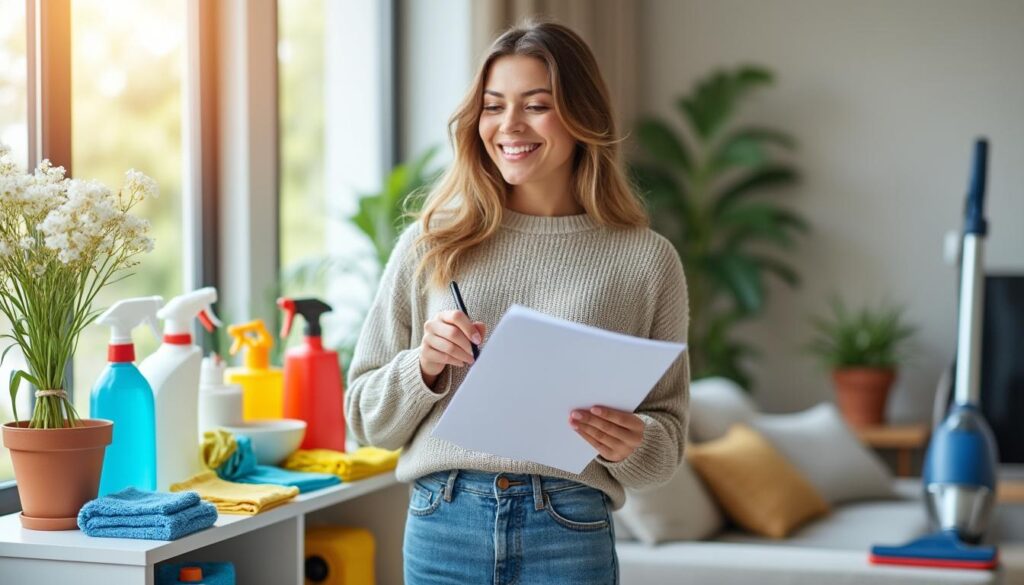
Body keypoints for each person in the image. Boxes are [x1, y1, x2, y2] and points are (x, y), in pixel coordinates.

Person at [346, 19, 689, 585]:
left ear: (583, 118)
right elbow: (363, 420)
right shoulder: (432, 245)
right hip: (443, 523)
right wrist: (423, 367)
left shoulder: (647, 261)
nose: (509, 126)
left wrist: (631, 440)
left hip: (569, 525)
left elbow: (665, 446)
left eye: (536, 105)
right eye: (492, 105)